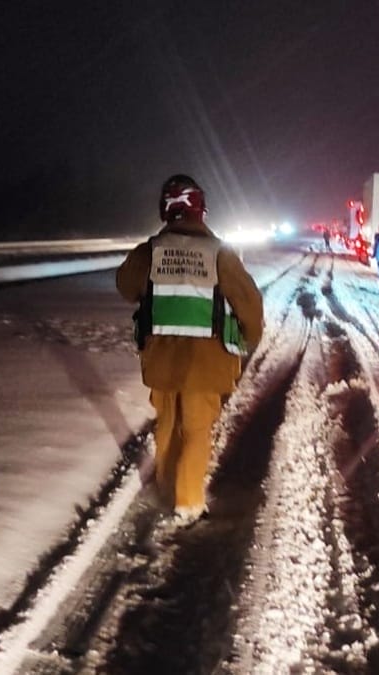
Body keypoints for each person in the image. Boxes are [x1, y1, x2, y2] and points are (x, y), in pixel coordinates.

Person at [116, 174, 264, 526]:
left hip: (162, 358)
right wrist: (250, 337)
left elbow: (125, 286)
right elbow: (250, 303)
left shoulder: (151, 250)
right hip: (208, 360)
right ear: (200, 208)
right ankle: (188, 500)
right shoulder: (219, 253)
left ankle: (168, 490)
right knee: (198, 429)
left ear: (167, 208)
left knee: (167, 425)